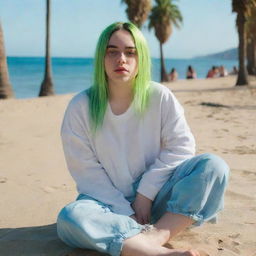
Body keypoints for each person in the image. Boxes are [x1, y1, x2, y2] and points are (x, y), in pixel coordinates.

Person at [56, 22, 229, 256]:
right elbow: (86, 171)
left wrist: (145, 194)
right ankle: (155, 252)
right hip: (104, 202)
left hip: (159, 197)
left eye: (130, 52)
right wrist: (124, 211)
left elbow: (181, 147)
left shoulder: (160, 96)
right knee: (70, 218)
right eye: (112, 51)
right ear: (101, 57)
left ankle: (156, 236)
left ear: (141, 58)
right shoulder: (81, 106)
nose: (121, 59)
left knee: (214, 167)